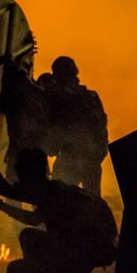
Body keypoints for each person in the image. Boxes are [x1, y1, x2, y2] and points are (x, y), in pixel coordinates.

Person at [0, 147, 117, 273]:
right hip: (86, 250)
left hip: (82, 253)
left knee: (27, 239)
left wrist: (1, 206)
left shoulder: (53, 192)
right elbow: (6, 190)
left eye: (19, 172)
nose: (18, 178)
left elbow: (33, 219)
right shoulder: (52, 189)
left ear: (28, 174)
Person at [44, 56, 108, 194]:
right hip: (91, 159)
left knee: (60, 201)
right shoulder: (91, 97)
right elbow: (101, 126)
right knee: (93, 204)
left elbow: (54, 127)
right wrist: (100, 153)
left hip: (70, 158)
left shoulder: (61, 98)